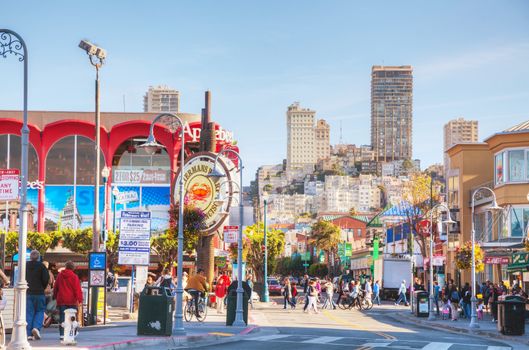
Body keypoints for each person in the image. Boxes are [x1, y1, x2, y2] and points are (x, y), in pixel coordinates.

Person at [53, 261, 83, 340]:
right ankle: (72, 333)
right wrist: (79, 299)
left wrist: (54, 296)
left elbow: (56, 287)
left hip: (62, 300)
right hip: (72, 300)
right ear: (73, 268)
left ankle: (62, 334)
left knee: (62, 317)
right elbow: (77, 289)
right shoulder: (74, 276)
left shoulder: (60, 276)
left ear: (66, 267)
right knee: (73, 318)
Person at [26, 250, 50, 341]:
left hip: (28, 292)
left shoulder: (26, 266)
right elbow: (46, 279)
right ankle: (36, 328)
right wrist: (42, 287)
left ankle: (28, 334)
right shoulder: (42, 266)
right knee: (39, 311)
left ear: (30, 257)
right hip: (39, 293)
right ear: (39, 257)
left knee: (29, 312)